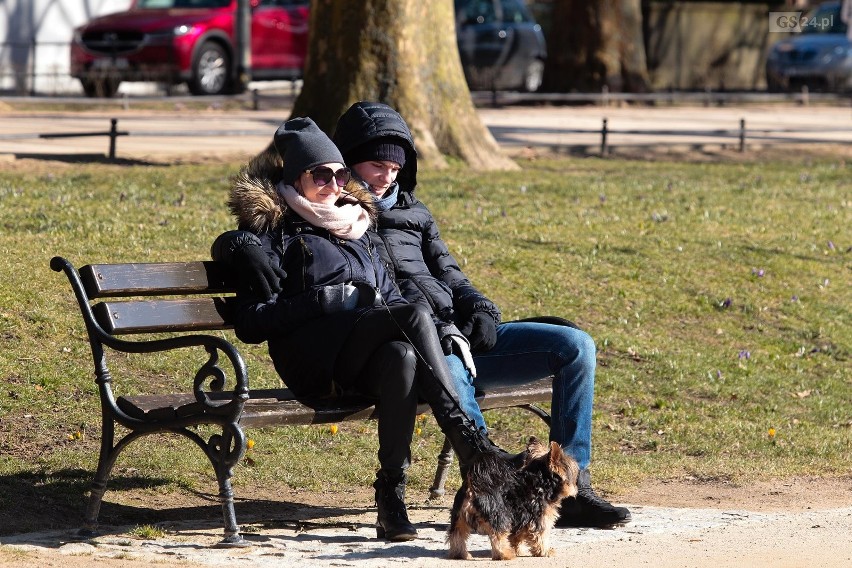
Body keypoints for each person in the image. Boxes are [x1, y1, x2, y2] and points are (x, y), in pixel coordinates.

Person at [216, 102, 630, 528]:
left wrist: (481, 310)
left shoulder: (385, 218)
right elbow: (263, 237)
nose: (386, 177)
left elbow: (451, 276)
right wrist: (234, 243)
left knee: (575, 346)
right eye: (373, 166)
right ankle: (486, 477)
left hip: (449, 337)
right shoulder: (328, 221)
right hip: (404, 347)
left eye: (395, 168)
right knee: (423, 338)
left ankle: (573, 488)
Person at [217, 116, 509, 543]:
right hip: (311, 361)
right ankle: (473, 447)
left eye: (339, 174)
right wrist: (320, 301)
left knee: (403, 355)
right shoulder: (272, 229)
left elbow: (391, 295)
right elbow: (251, 323)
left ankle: (391, 493)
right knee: (412, 317)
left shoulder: (358, 222)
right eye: (321, 175)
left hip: (360, 359)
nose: (334, 185)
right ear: (296, 177)